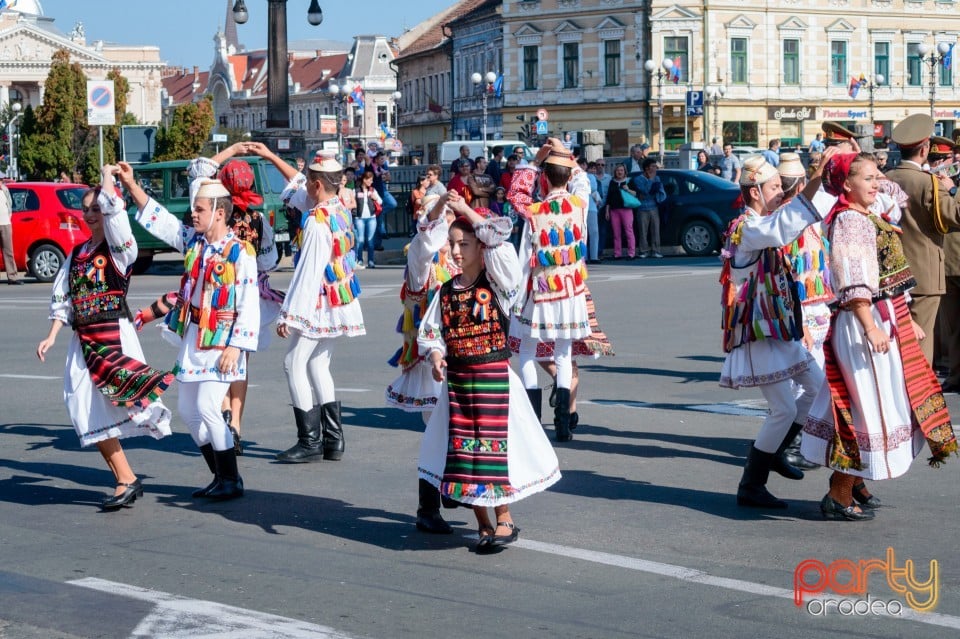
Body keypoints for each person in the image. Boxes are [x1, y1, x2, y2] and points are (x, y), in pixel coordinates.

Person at [802, 152, 958, 520]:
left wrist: (903, 319)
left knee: (881, 401)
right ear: (846, 184)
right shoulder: (851, 220)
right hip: (863, 323)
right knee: (866, 407)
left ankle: (856, 482)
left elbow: (892, 193)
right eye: (868, 178)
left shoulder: (865, 212)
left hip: (879, 317)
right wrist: (871, 326)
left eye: (876, 177)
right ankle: (839, 494)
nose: (877, 184)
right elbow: (854, 280)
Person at [417, 201, 560, 553]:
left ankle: (506, 518)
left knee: (495, 452)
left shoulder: (498, 285)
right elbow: (430, 333)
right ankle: (483, 523)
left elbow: (501, 242)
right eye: (451, 243)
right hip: (459, 385)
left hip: (494, 380)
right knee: (465, 455)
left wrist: (466, 207)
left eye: (463, 244)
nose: (455, 251)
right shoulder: (446, 292)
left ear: (480, 248)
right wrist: (437, 356)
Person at [36, 165, 173, 509]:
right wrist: (52, 334)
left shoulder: (119, 251)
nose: (91, 215)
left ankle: (125, 480)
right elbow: (63, 297)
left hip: (113, 331)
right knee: (81, 404)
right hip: (84, 338)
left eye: (96, 208)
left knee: (117, 399)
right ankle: (125, 479)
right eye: (86, 209)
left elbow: (117, 217)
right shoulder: (76, 254)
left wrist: (107, 179)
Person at [125, 165, 260, 501]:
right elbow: (161, 220)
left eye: (199, 209)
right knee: (188, 410)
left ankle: (231, 479)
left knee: (208, 406)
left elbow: (248, 303)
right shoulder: (195, 243)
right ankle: (220, 475)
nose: (192, 214)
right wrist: (130, 184)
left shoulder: (239, 253)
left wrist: (236, 347)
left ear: (219, 213)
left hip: (221, 343)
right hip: (194, 340)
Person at [720, 151, 839, 509]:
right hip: (760, 334)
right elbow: (784, 226)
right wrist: (816, 177)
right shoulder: (749, 227)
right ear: (755, 191)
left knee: (819, 391)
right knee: (783, 410)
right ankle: (752, 482)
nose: (781, 192)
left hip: (780, 329)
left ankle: (772, 453)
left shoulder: (762, 222)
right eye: (775, 187)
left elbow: (790, 220)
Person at [275, 152, 365, 463]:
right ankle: (333, 440)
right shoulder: (339, 209)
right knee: (318, 365)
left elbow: (308, 273)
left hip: (317, 303)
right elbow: (298, 188)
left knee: (293, 364)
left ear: (316, 185)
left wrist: (291, 314)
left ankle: (309, 440)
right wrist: (270, 156)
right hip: (337, 300)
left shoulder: (315, 221)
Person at [507, 138, 592, 442]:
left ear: (544, 177)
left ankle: (533, 421)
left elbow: (515, 193)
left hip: (539, 291)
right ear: (569, 176)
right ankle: (563, 424)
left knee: (527, 352)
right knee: (563, 354)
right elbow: (583, 181)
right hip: (570, 292)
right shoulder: (580, 204)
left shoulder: (534, 210)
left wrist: (533, 162)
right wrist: (565, 154)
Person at [385, 191, 459, 534]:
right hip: (431, 360)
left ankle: (446, 491)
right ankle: (429, 505)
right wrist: (442, 206)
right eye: (442, 222)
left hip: (458, 355)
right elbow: (427, 239)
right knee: (438, 430)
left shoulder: (457, 261)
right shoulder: (420, 259)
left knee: (450, 429)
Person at [885, 114, 960, 365]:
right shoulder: (928, 182)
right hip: (925, 274)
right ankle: (920, 398)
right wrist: (953, 190)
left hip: (892, 269)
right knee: (920, 343)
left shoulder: (887, 178)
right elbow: (955, 216)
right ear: (925, 148)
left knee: (898, 337)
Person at [776, 152, 828, 471]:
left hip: (818, 303)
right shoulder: (785, 215)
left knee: (813, 381)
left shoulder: (806, 213)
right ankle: (789, 443)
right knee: (805, 383)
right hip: (798, 309)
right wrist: (818, 173)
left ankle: (796, 440)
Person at [631, 158, 667, 259]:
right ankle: (643, 250)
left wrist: (654, 188)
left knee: (655, 229)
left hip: (653, 206)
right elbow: (645, 191)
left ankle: (656, 250)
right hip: (642, 207)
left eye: (655, 166)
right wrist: (650, 180)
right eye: (653, 166)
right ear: (647, 168)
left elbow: (659, 190)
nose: (655, 168)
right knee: (643, 230)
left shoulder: (657, 178)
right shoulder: (638, 179)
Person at [603, 163, 637, 260]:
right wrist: (607, 211)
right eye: (618, 170)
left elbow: (635, 194)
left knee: (629, 231)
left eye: (621, 170)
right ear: (615, 172)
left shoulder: (629, 181)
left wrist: (628, 189)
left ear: (625, 172)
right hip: (614, 210)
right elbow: (609, 197)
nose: (619, 172)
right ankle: (617, 253)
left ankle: (631, 253)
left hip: (626, 209)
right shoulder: (612, 182)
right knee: (616, 233)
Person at [353, 169, 382, 269]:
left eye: (372, 180)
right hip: (359, 218)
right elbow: (353, 203)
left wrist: (375, 198)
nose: (371, 182)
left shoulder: (372, 190)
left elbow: (380, 201)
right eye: (370, 180)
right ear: (364, 180)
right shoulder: (356, 190)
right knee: (360, 240)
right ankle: (360, 260)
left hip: (371, 218)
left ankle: (371, 261)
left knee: (370, 240)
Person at [0, 179, 21, 284]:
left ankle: (12, 277)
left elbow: (9, 204)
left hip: (5, 223)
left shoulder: (4, 190)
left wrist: (9, 217)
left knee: (8, 251)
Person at [584, 159, 601, 264]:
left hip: (582, 207)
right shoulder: (591, 177)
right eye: (592, 168)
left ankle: (584, 257)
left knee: (584, 233)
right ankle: (594, 256)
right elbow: (594, 188)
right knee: (594, 233)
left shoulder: (580, 176)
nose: (593, 170)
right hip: (591, 208)